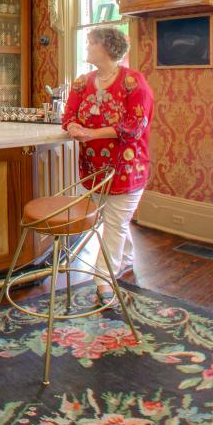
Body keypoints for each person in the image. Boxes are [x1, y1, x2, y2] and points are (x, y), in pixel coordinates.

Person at [61, 26, 153, 305]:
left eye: (92, 43)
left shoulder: (134, 83)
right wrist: (74, 125)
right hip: (93, 167)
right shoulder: (81, 83)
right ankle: (124, 258)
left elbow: (134, 126)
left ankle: (103, 280)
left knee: (114, 222)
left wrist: (91, 134)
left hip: (128, 167)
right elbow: (68, 116)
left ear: (107, 48)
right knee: (112, 221)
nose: (87, 47)